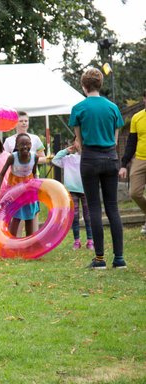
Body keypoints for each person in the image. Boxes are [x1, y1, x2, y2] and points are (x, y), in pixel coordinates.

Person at [70, 68, 126, 269]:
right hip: (111, 157)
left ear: (84, 86)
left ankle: (100, 259)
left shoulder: (79, 108)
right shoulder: (113, 108)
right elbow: (115, 138)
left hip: (90, 158)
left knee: (94, 207)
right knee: (113, 207)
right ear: (100, 85)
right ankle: (119, 259)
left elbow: (80, 140)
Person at [3, 111, 46, 234]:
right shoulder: (8, 141)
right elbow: (5, 159)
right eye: (21, 121)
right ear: (16, 123)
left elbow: (42, 157)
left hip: (31, 179)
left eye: (26, 121)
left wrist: (32, 160)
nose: (23, 123)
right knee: (17, 211)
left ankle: (32, 238)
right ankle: (16, 238)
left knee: (32, 210)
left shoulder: (35, 139)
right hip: (15, 182)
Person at [0, 133, 39, 237]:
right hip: (15, 190)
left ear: (31, 144)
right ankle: (11, 243)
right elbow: (1, 174)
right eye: (21, 144)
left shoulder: (34, 157)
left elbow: (34, 172)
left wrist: (37, 185)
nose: (25, 147)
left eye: (27, 144)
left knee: (29, 217)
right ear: (17, 146)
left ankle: (28, 243)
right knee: (16, 217)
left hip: (28, 190)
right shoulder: (12, 158)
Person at [52, 143, 94, 250]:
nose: (80, 143)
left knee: (88, 216)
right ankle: (77, 241)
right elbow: (55, 160)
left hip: (86, 189)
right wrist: (65, 150)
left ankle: (90, 240)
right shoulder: (68, 158)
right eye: (77, 141)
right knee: (74, 216)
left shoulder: (89, 157)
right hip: (72, 190)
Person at [119, 89, 146, 235]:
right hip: (140, 159)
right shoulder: (137, 118)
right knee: (135, 193)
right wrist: (124, 165)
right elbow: (131, 142)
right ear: (144, 99)